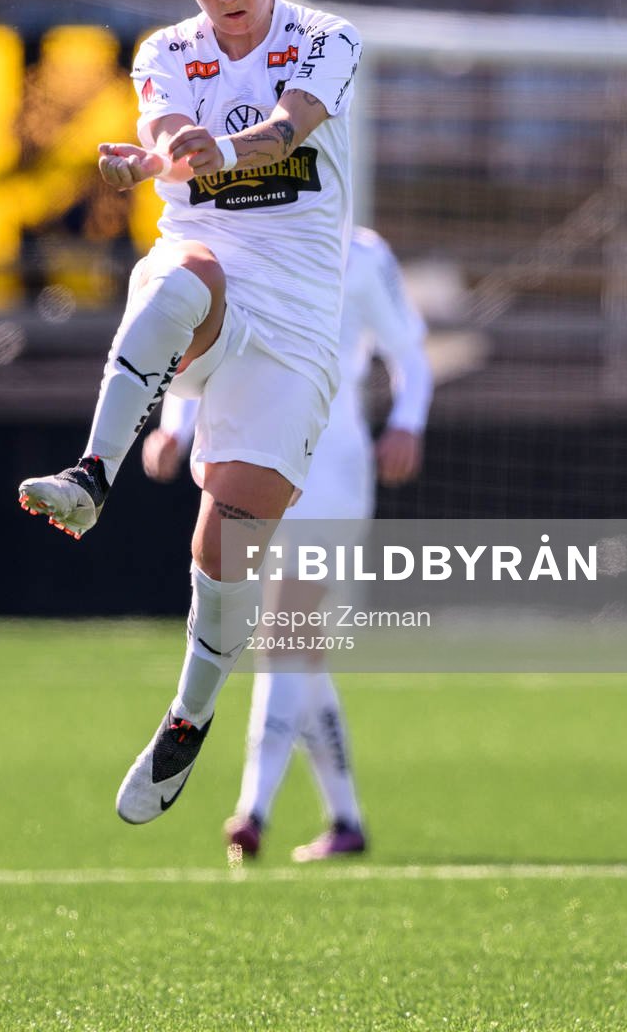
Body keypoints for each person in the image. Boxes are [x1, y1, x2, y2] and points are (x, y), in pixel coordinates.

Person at [17, 0, 363, 823]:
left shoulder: (329, 39)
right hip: (211, 287)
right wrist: (158, 155)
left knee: (225, 549)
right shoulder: (165, 50)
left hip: (293, 329)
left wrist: (214, 153)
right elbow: (169, 129)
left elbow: (287, 130)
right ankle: (91, 474)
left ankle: (190, 714)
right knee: (177, 277)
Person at [143, 226, 431, 861]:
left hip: (331, 460)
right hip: (252, 449)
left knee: (285, 630)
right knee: (299, 649)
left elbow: (411, 352)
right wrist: (176, 424)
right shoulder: (245, 242)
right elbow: (208, 352)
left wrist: (408, 423)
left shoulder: (360, 254)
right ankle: (347, 821)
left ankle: (253, 813)